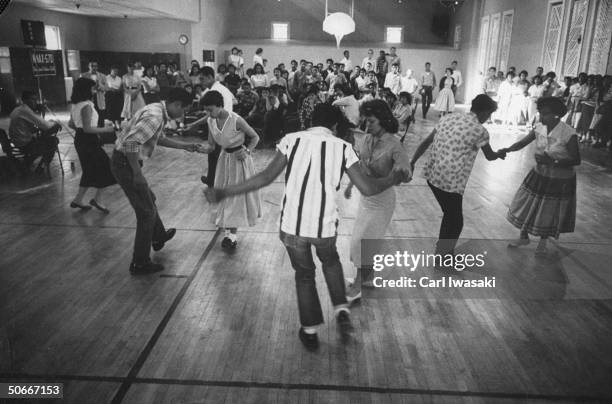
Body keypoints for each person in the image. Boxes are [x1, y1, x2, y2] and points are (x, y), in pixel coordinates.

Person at [204, 103, 409, 350]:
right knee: (331, 262)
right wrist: (392, 178)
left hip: (292, 225)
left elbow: (265, 178)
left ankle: (310, 330)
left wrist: (225, 191)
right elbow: (368, 188)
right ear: (334, 125)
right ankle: (341, 309)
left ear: (311, 121)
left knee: (304, 275)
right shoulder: (343, 147)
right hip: (324, 226)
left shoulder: (291, 140)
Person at [110, 87, 201, 275]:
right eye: (183, 109)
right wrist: (137, 173)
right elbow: (131, 143)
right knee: (146, 213)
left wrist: (185, 146)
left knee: (149, 199)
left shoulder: (157, 110)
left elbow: (158, 138)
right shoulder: (155, 116)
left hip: (125, 161)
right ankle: (140, 262)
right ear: (176, 104)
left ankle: (158, 236)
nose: (183, 114)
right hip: (125, 163)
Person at [410, 95, 506, 256]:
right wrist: (500, 153)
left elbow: (426, 142)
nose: (488, 118)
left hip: (433, 175)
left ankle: (443, 250)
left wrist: (412, 162)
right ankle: (444, 255)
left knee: (450, 215)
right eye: (489, 114)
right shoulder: (480, 130)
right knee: (455, 221)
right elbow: (489, 156)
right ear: (485, 112)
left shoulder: (448, 118)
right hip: (451, 182)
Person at [344, 100, 411, 301]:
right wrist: (350, 184)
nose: (367, 125)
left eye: (371, 121)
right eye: (365, 121)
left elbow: (406, 174)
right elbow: (362, 164)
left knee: (362, 242)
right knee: (363, 239)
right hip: (366, 198)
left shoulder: (394, 144)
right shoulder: (367, 139)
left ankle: (357, 287)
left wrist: (401, 173)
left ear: (383, 120)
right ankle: (368, 277)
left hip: (382, 200)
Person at [502, 97, 580, 256]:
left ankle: (543, 243)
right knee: (528, 204)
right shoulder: (539, 128)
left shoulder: (568, 133)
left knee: (549, 209)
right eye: (540, 113)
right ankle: (523, 236)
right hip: (540, 173)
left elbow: (576, 160)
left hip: (560, 178)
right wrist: (506, 149)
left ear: (557, 115)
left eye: (545, 114)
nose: (541, 117)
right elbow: (522, 143)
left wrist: (553, 161)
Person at [198, 90, 261, 249]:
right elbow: (212, 146)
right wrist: (198, 148)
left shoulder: (236, 120)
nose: (208, 113)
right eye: (206, 110)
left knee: (235, 198)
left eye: (210, 109)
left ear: (220, 106)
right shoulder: (211, 121)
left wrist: (246, 151)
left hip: (239, 161)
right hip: (223, 160)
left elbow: (255, 137)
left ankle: (231, 236)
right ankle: (228, 234)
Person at [69, 78, 117, 212]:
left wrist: (82, 132)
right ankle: (97, 199)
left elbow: (71, 124)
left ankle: (78, 199)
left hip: (81, 140)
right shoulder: (86, 106)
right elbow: (88, 129)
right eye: (92, 88)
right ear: (86, 90)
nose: (94, 91)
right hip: (88, 140)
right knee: (107, 167)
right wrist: (106, 130)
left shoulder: (75, 105)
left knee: (89, 170)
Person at [199, 66, 236, 187]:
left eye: (202, 79)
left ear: (210, 77)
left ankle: (216, 182)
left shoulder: (214, 92)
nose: (200, 82)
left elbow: (211, 115)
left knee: (217, 156)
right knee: (215, 155)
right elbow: (234, 100)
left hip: (221, 125)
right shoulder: (223, 88)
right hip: (223, 124)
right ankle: (212, 180)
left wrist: (193, 125)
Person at [8, 91, 61, 173]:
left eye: (36, 99)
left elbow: (33, 127)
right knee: (53, 141)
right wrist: (54, 123)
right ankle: (40, 167)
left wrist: (39, 114)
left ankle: (28, 162)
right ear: (25, 100)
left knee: (45, 137)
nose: (35, 102)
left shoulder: (18, 109)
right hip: (25, 144)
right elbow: (45, 125)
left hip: (17, 142)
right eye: (33, 99)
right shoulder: (25, 110)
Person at [80, 61, 106, 127]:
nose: (94, 68)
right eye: (92, 66)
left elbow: (106, 87)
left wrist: (99, 86)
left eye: (95, 66)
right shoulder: (83, 75)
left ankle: (100, 130)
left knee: (100, 115)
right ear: (89, 67)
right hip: (89, 98)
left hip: (99, 98)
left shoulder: (102, 76)